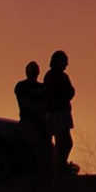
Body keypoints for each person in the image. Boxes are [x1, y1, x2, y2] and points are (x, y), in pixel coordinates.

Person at [13, 61, 51, 178]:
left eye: (35, 68)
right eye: (31, 68)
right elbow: (25, 103)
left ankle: (46, 172)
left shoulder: (43, 87)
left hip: (43, 122)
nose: (33, 71)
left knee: (46, 147)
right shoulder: (21, 86)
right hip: (28, 122)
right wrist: (37, 108)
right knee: (34, 146)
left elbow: (48, 101)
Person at [43, 49, 76, 178]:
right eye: (64, 61)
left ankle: (59, 169)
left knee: (64, 142)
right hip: (59, 113)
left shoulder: (51, 75)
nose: (66, 64)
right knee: (64, 142)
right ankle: (58, 171)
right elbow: (69, 92)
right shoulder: (57, 76)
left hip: (57, 112)